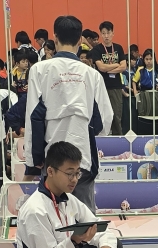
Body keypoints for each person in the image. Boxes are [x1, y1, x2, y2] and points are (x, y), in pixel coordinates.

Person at [25, 14, 113, 212]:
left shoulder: (39, 70)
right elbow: (105, 121)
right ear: (80, 40)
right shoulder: (92, 75)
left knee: (52, 218)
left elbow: (33, 118)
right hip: (83, 158)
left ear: (55, 38)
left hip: (52, 160)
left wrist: (34, 159)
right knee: (84, 220)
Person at [16, 142, 120, 248]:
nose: (75, 179)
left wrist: (105, 246)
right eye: (69, 173)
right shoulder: (36, 210)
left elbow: (98, 225)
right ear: (50, 171)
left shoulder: (68, 199)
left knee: (114, 247)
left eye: (77, 173)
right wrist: (74, 241)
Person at [91, 21, 127, 136]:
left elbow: (124, 66)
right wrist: (116, 65)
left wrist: (108, 69)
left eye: (108, 33)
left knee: (116, 115)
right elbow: (101, 67)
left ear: (113, 33)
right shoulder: (97, 49)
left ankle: (117, 137)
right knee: (103, 114)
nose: (106, 36)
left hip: (116, 86)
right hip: (102, 86)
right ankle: (103, 138)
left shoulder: (118, 48)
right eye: (103, 33)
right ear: (101, 34)